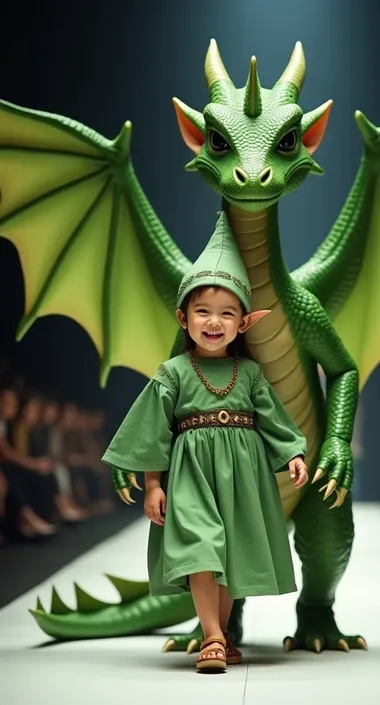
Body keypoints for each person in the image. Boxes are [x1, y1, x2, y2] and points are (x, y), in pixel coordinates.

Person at [102, 211, 309, 674]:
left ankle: (223, 632)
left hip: (242, 472)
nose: (214, 321)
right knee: (200, 546)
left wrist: (293, 452)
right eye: (202, 311)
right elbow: (152, 430)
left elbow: (274, 419)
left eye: (226, 313)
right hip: (190, 473)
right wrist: (153, 485)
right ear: (184, 317)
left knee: (230, 551)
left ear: (244, 323)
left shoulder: (250, 373)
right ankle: (212, 636)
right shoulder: (173, 373)